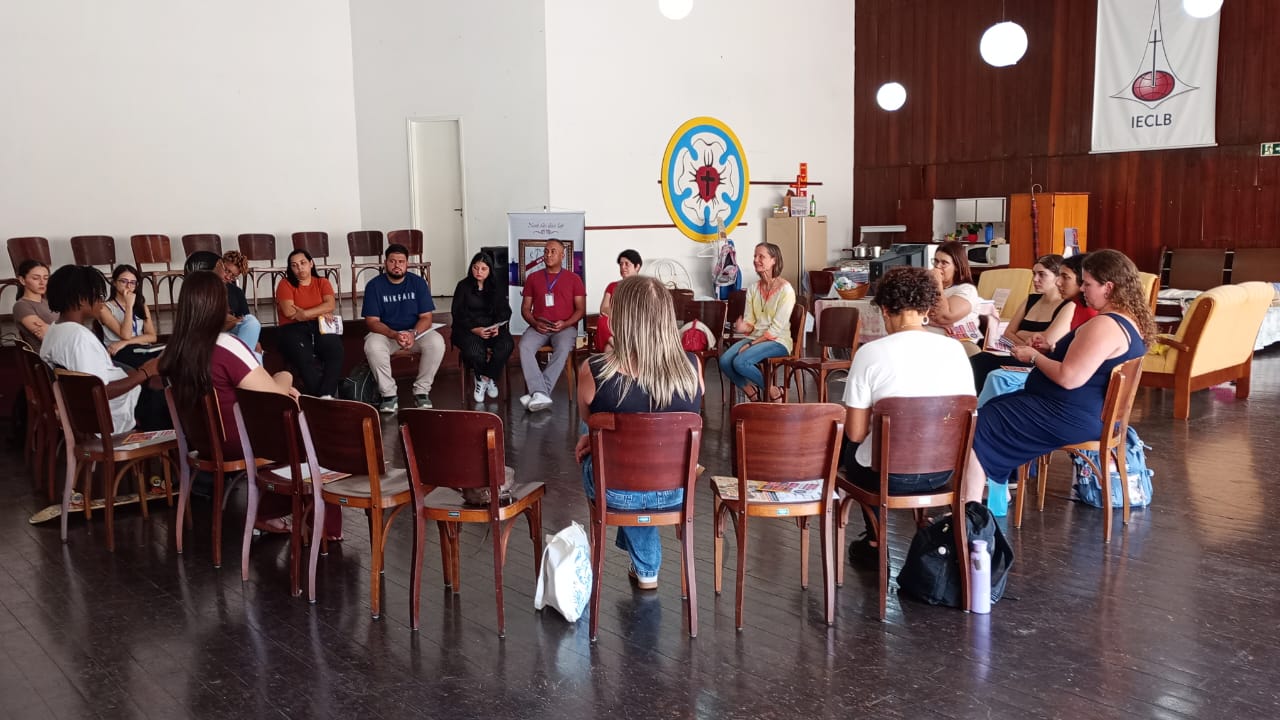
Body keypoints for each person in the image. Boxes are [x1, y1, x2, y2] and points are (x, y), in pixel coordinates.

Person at [963, 249, 1154, 509]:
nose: (1082, 289)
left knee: (976, 424)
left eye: (1088, 284)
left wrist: (1034, 357)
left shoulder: (1104, 325)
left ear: (1108, 287)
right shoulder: (1128, 322)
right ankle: (994, 489)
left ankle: (971, 508)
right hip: (1080, 412)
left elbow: (1069, 378)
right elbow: (1087, 364)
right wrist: (1051, 350)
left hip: (1069, 415)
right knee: (994, 407)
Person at [157, 272, 330, 536]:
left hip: (203, 442)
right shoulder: (226, 345)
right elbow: (275, 395)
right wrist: (286, 376)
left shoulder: (174, 351)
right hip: (239, 441)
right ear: (218, 306)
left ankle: (276, 509)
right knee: (306, 423)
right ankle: (290, 517)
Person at [840, 266, 976, 565]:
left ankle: (875, 542)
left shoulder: (870, 353)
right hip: (943, 471)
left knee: (848, 448)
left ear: (885, 309)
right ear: (927, 309)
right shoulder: (955, 351)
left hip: (887, 475)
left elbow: (856, 432)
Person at [574, 275, 703, 589]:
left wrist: (591, 438)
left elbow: (588, 420)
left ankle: (646, 565)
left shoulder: (594, 370)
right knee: (640, 455)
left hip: (616, 490)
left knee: (598, 442)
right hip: (675, 488)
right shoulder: (693, 367)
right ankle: (644, 566)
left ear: (621, 319)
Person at [41, 265, 169, 434]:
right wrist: (145, 372)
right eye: (99, 295)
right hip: (114, 413)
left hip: (99, 407)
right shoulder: (79, 338)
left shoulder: (55, 330)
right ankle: (171, 446)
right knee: (170, 399)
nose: (102, 302)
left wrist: (135, 374)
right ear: (81, 299)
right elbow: (99, 391)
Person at [977, 252, 1099, 406]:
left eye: (1065, 277)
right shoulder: (1078, 308)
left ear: (1081, 282)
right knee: (982, 363)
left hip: (1064, 389)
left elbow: (1071, 371)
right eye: (1034, 274)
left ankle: (974, 415)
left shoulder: (1083, 311)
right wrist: (1049, 347)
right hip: (1053, 373)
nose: (1059, 282)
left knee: (996, 377)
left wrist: (1034, 352)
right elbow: (1010, 333)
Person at [969, 254, 1074, 391]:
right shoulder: (1031, 300)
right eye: (1034, 274)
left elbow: (1048, 340)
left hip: (1039, 361)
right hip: (1016, 353)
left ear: (1058, 277)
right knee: (977, 360)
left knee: (983, 364)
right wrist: (1028, 342)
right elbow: (1007, 333)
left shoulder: (1068, 305)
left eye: (1042, 275)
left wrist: (1020, 333)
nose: (1035, 279)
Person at [361, 243, 444, 412]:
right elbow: (372, 322)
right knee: (372, 345)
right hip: (386, 334)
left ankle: (422, 391)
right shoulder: (374, 286)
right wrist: (393, 334)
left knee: (437, 342)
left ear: (407, 263)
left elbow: (426, 318)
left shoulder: (418, 283)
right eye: (392, 261)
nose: (397, 265)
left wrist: (413, 333)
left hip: (414, 334)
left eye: (401, 261)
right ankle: (389, 395)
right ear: (385, 263)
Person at [719, 242, 795, 402]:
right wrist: (743, 327)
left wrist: (750, 345)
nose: (756, 260)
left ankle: (772, 392)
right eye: (755, 256)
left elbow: (775, 330)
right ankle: (753, 393)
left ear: (774, 260)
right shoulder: (753, 289)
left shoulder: (786, 290)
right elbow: (750, 322)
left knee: (740, 362)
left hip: (778, 341)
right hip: (755, 337)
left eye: (761, 256)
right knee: (725, 361)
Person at [519, 240, 586, 412]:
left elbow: (581, 310)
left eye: (553, 251)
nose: (548, 255)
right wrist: (535, 323)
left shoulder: (574, 279)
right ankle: (540, 393)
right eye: (546, 251)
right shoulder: (533, 278)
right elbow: (525, 309)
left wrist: (566, 323)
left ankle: (539, 392)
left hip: (565, 327)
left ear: (562, 255)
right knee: (524, 345)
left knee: (563, 348)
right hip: (539, 326)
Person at [274, 249, 344, 398]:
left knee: (335, 349)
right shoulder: (285, 284)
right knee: (304, 356)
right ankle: (323, 398)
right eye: (294, 265)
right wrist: (319, 310)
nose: (299, 268)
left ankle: (325, 396)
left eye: (303, 263)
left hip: (319, 325)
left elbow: (330, 305)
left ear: (311, 263)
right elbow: (289, 311)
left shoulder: (322, 282)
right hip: (291, 327)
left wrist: (305, 314)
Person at [451, 252, 513, 403]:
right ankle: (482, 377)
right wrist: (474, 329)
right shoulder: (463, 286)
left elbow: (505, 311)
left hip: (491, 328)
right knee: (474, 350)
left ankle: (485, 377)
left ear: (490, 270)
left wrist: (497, 326)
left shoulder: (496, 286)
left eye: (483, 269)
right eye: (475, 267)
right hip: (467, 329)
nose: (479, 272)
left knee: (506, 344)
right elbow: (457, 313)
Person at [96, 264, 159, 369]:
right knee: (151, 366)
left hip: (141, 348)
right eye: (124, 281)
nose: (128, 286)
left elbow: (152, 337)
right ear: (114, 282)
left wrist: (125, 343)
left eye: (133, 282)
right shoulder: (104, 308)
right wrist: (129, 306)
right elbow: (125, 335)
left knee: (171, 358)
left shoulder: (141, 305)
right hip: (119, 351)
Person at [926, 241, 984, 354]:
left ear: (957, 266)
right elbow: (909, 315)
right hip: (926, 341)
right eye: (936, 261)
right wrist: (927, 319)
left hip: (952, 348)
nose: (937, 267)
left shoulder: (966, 290)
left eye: (944, 263)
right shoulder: (927, 287)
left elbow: (944, 317)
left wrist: (937, 282)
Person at [213, 250, 263, 358]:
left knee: (252, 322)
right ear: (218, 263)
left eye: (233, 276)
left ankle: (240, 361)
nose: (228, 277)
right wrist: (234, 320)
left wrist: (255, 340)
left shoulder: (236, 292)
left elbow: (246, 319)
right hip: (210, 333)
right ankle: (242, 362)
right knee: (254, 355)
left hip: (231, 333)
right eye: (227, 271)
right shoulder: (201, 284)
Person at [595, 249, 643, 351]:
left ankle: (618, 347)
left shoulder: (644, 287)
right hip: (615, 324)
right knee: (602, 321)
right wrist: (618, 316)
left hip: (634, 325)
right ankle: (620, 347)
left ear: (637, 267)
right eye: (621, 264)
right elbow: (604, 308)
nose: (623, 267)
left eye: (627, 264)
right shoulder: (612, 286)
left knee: (608, 347)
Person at [13, 259, 55, 351]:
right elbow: (48, 338)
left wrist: (53, 329)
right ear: (22, 280)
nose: (42, 282)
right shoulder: (21, 306)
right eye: (36, 278)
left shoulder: (48, 302)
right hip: (51, 354)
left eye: (46, 278)